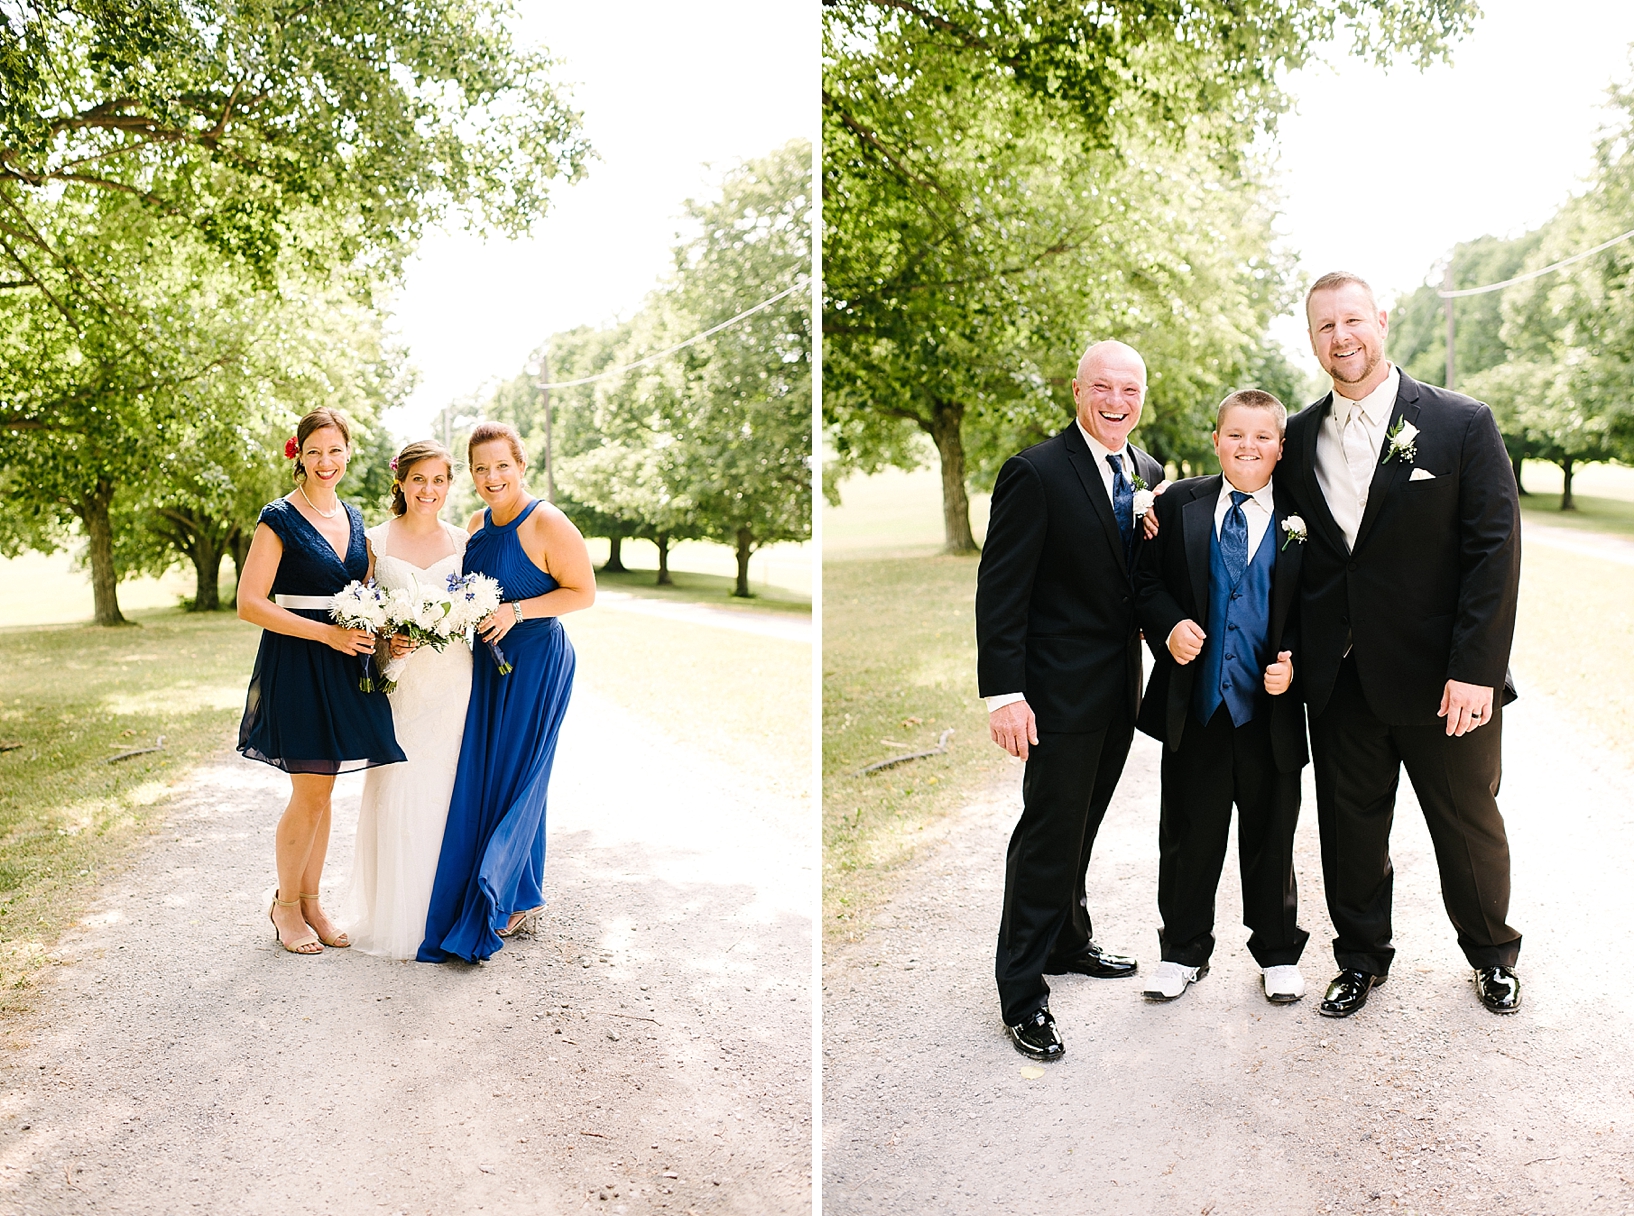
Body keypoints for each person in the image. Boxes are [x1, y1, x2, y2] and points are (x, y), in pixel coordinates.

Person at [1278, 271, 1523, 1017]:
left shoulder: (1460, 422)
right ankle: (1359, 959)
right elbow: (1247, 490)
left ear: (1382, 320)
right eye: (1325, 326)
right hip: (1341, 675)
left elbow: (1494, 551)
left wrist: (1475, 672)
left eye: (1353, 320)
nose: (1341, 338)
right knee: (1350, 831)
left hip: (1444, 679)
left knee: (1467, 824)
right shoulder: (1294, 436)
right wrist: (1166, 498)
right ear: (1312, 336)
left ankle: (1492, 957)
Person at [975, 339, 1164, 1061]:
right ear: (1077, 391)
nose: (1117, 403)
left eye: (1130, 391)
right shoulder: (1036, 471)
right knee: (1048, 837)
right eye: (1103, 388)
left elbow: (1134, 580)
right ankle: (1023, 994)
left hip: (1118, 687)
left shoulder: (1145, 471)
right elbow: (1002, 589)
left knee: (1083, 827)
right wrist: (1005, 694)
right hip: (1054, 693)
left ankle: (1067, 942)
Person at [1132, 389, 1310, 1004]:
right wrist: (1169, 626)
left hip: (1269, 709)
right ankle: (1182, 951)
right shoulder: (1178, 503)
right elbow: (1146, 582)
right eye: (1236, 434)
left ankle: (1278, 950)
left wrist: (1297, 663)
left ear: (1281, 447)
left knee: (1272, 833)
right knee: (1188, 833)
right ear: (1216, 439)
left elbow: (1321, 605)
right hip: (1198, 705)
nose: (1248, 447)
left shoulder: (1303, 516)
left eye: (1263, 437)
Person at [417, 421, 595, 963]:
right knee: (495, 771)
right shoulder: (475, 524)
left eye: (501, 466)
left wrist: (515, 610)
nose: (492, 477)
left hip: (536, 662)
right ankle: (521, 888)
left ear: (521, 466)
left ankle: (508, 890)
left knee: (522, 773)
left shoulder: (547, 522)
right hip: (486, 665)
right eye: (480, 468)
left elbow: (583, 593)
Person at [237, 407, 405, 955]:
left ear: (348, 453)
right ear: (298, 455)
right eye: (315, 452)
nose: (325, 461)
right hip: (299, 661)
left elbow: (364, 597)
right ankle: (284, 907)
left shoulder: (355, 519)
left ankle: (310, 900)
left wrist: (382, 637)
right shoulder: (278, 518)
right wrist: (324, 635)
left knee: (325, 791)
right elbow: (250, 603)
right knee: (310, 793)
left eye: (335, 451)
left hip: (343, 665)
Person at [340, 440, 473, 959]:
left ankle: (445, 909)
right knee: (400, 780)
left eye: (439, 480)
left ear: (449, 485)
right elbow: (360, 609)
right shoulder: (375, 539)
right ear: (400, 482)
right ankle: (397, 913)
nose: (429, 490)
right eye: (419, 479)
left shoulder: (464, 541)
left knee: (445, 786)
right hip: (400, 680)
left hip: (452, 680)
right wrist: (386, 637)